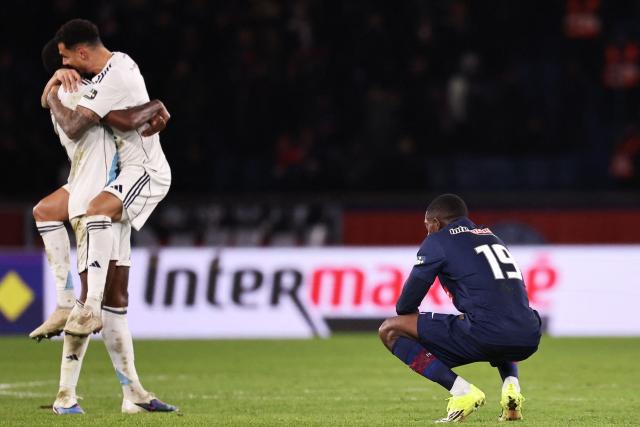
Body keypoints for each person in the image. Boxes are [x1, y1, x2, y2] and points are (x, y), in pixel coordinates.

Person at [35, 36, 176, 414]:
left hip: (114, 199)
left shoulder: (97, 84)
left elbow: (118, 117)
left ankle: (133, 393)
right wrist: (52, 91)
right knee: (90, 305)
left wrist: (155, 106)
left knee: (117, 303)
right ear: (66, 68)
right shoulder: (68, 96)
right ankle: (65, 396)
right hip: (91, 206)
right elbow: (85, 125)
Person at [378, 194, 541, 423]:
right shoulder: (493, 237)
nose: (427, 232)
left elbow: (405, 304)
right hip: (529, 333)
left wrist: (421, 332)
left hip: (488, 332)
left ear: (435, 223)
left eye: (427, 226)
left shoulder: (438, 241)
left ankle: (462, 392)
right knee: (498, 319)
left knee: (390, 330)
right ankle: (511, 388)